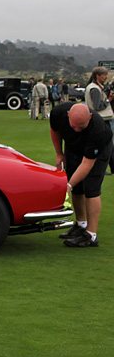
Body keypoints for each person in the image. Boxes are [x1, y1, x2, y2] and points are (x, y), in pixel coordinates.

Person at [50, 102, 112, 248]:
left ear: (90, 117)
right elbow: (55, 130)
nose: (77, 130)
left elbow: (87, 164)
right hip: (73, 147)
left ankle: (91, 235)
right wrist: (59, 153)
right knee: (77, 187)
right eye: (73, 126)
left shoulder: (98, 130)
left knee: (91, 188)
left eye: (81, 127)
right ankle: (81, 224)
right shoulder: (58, 113)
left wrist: (68, 185)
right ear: (68, 116)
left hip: (97, 151)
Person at [83, 66, 114, 173]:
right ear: (97, 76)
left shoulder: (95, 87)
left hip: (101, 119)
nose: (106, 77)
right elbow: (97, 106)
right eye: (104, 75)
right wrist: (108, 100)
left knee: (108, 145)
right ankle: (100, 167)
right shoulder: (94, 88)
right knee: (105, 146)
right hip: (101, 119)